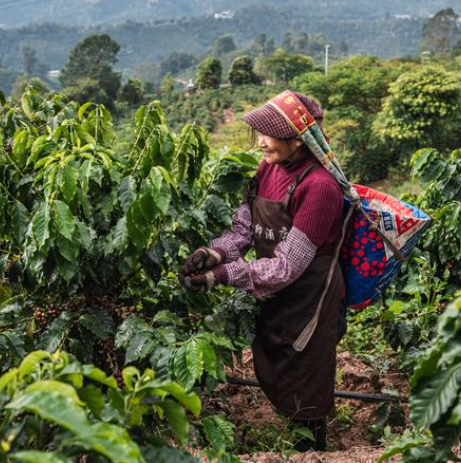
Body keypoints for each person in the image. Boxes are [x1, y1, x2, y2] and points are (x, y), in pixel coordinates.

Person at [179, 90, 346, 451]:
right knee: (279, 363)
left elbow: (288, 266)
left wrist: (222, 276)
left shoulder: (320, 187)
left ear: (298, 139)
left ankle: (312, 451)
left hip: (308, 294)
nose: (261, 143)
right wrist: (214, 253)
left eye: (269, 136)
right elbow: (245, 227)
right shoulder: (268, 168)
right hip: (274, 289)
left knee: (306, 373)